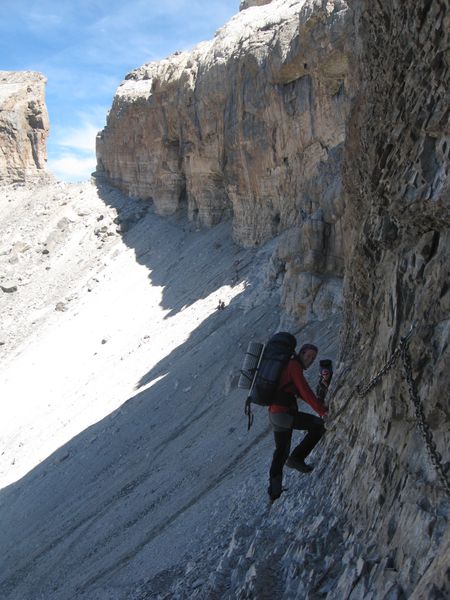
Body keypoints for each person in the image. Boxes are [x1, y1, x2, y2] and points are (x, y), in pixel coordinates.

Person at [268, 343, 328, 502]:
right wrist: (322, 411)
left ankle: (274, 493)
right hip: (284, 414)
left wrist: (318, 404)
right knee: (318, 425)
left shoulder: (288, 366)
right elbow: (304, 390)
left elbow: (297, 392)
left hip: (275, 415)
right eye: (308, 356)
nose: (310, 360)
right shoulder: (294, 366)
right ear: (300, 353)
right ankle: (296, 458)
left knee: (280, 453)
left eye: (313, 358)